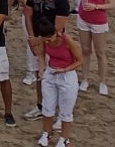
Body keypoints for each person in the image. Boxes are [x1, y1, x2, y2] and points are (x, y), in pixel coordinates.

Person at [33, 15, 84, 147]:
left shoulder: (68, 41)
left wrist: (65, 69)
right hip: (51, 73)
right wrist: (41, 69)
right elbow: (41, 55)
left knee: (66, 111)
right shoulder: (44, 40)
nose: (48, 41)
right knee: (47, 107)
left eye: (49, 38)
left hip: (67, 76)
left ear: (55, 33)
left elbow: (80, 60)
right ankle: (47, 134)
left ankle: (64, 139)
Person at [72, 0, 115, 96]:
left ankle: (102, 82)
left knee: (100, 52)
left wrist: (96, 6)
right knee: (85, 50)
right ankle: (84, 79)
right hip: (84, 19)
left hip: (98, 21)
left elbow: (112, 4)